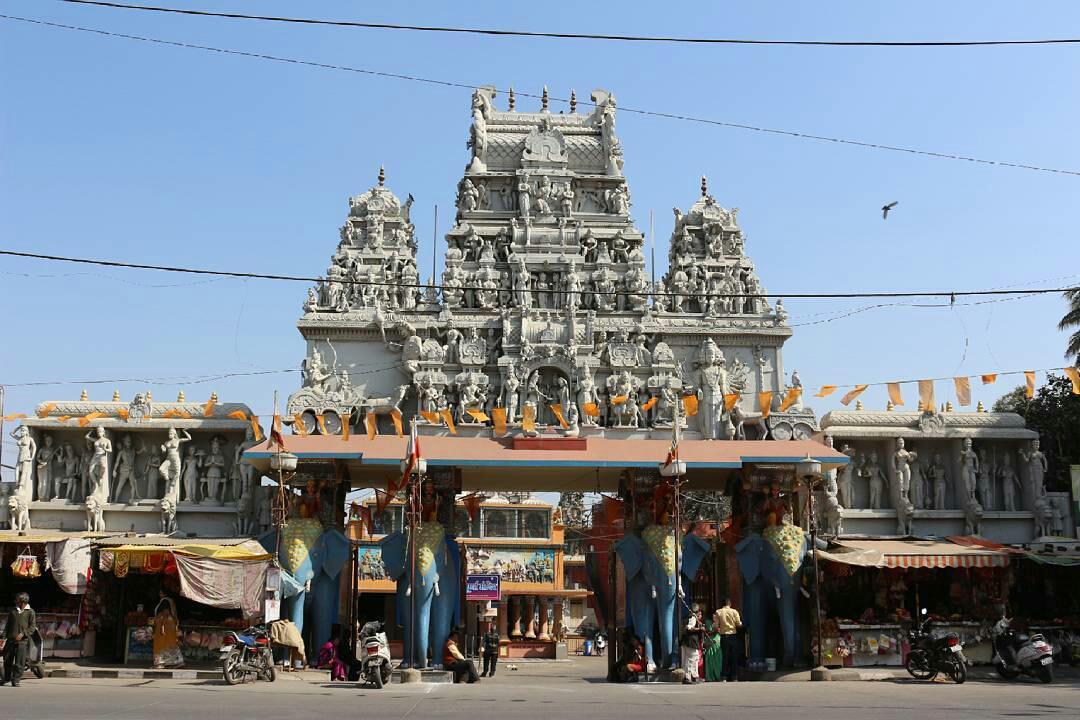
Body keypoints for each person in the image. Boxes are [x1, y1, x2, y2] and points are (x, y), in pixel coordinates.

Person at [2, 592, 37, 686]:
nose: (15, 601)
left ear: (22, 601)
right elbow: (8, 625)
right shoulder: (13, 611)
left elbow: (32, 627)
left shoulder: (30, 612)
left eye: (17, 599)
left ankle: (16, 680)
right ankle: (6, 678)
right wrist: (3, 637)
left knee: (19, 663)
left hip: (22, 642)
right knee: (7, 661)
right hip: (10, 640)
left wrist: (23, 634)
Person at [152, 591, 184, 669]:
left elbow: (166, 612)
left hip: (165, 624)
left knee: (161, 643)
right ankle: (176, 662)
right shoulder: (170, 601)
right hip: (169, 624)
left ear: (164, 593)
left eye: (160, 592)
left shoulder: (165, 601)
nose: (159, 594)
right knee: (171, 642)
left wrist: (162, 626)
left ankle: (161, 662)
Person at [714, 597, 742, 682]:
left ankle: (724, 677)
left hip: (724, 636)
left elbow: (716, 625)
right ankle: (734, 677)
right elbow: (738, 624)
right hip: (733, 635)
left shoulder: (718, 612)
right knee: (734, 656)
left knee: (725, 657)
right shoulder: (734, 612)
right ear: (729, 604)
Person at [680, 604, 705, 684]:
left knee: (691, 658)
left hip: (687, 642)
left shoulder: (689, 618)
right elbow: (689, 628)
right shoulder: (693, 618)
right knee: (692, 658)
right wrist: (700, 629)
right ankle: (688, 677)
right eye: (699, 613)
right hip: (691, 641)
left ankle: (693, 676)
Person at [704, 612, 724, 682]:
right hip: (710, 642)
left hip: (718, 642)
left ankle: (718, 676)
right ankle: (710, 676)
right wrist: (714, 631)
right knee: (709, 659)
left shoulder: (721, 623)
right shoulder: (708, 622)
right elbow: (706, 633)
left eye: (716, 616)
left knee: (718, 659)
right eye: (713, 616)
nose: (714, 617)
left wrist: (718, 630)